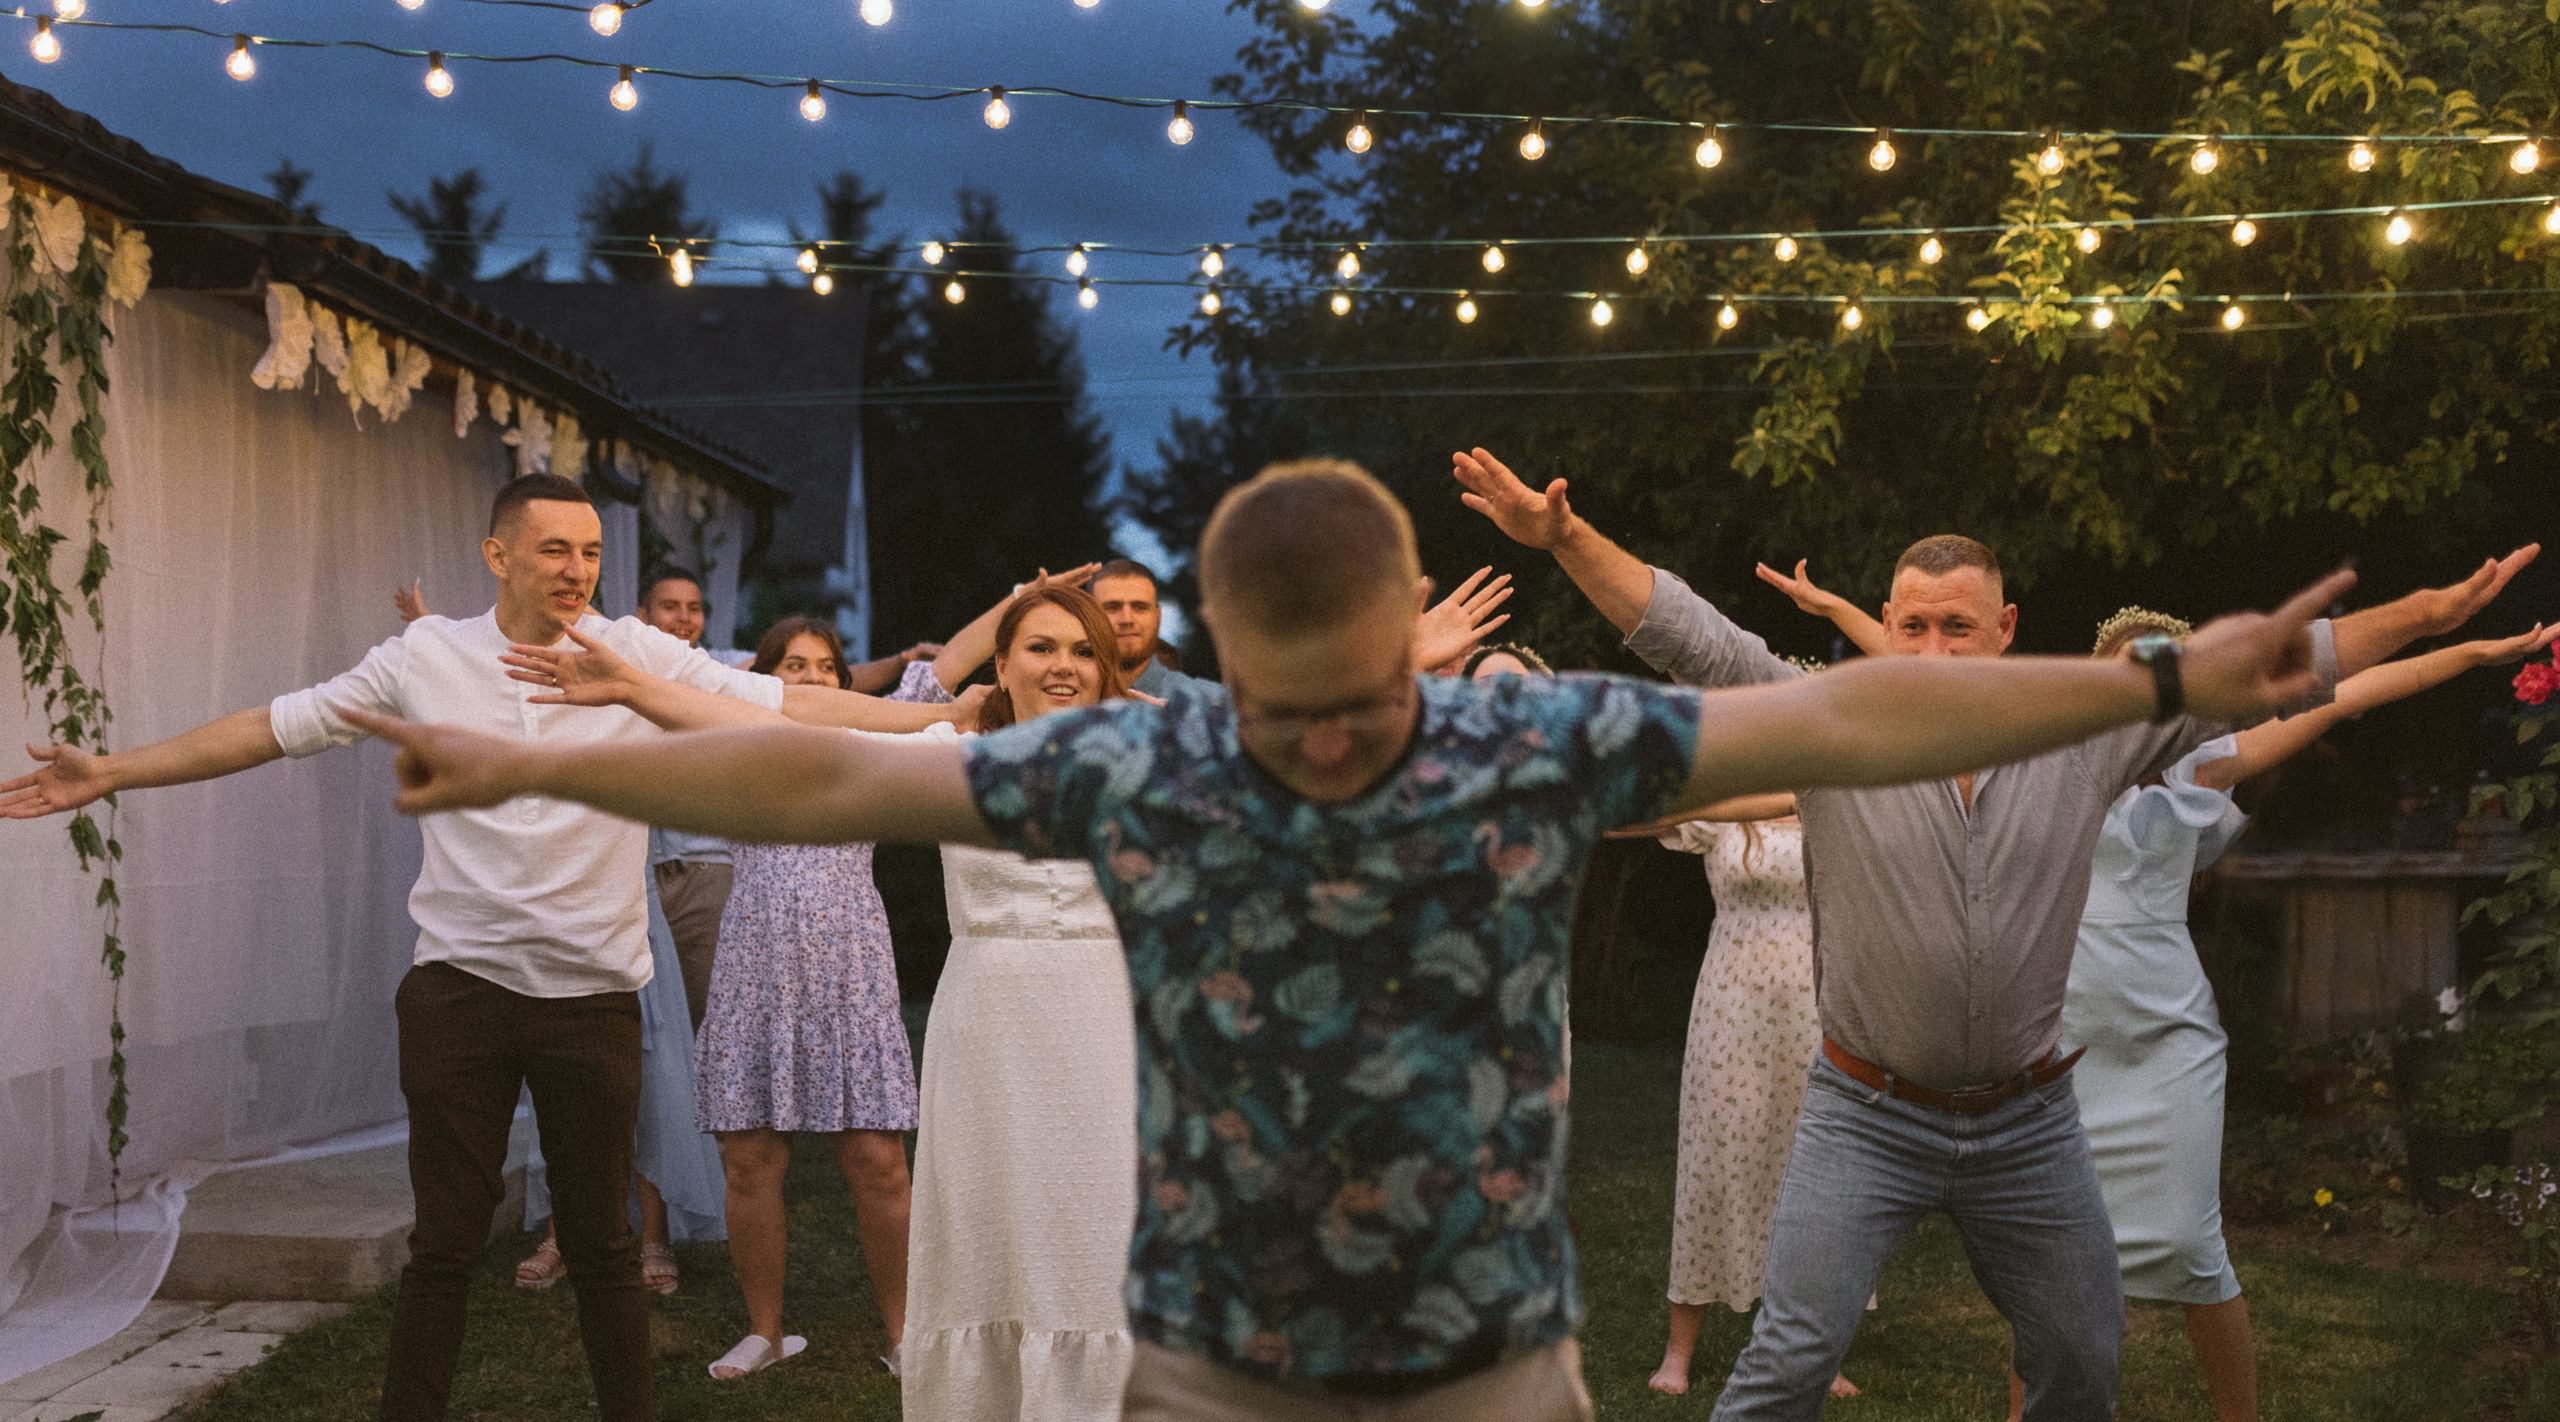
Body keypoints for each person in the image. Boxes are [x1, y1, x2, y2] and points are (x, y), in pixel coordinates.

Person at [342, 457, 2358, 1422]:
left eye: (1358, 700)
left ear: (1409, 641)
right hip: (1209, 1371)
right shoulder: (1151, 768)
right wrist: (558, 769)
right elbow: (826, 786)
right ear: (1217, 657)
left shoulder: (1521, 735)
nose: (1319, 741)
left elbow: (1850, 713)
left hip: (1489, 1364)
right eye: (1283, 703)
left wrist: (2155, 684)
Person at [1450, 445, 2537, 1420]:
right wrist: (1564, 538)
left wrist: (2424, 618)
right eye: (1909, 626)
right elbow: (1695, 638)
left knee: (2080, 1360)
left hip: (2028, 1125)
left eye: (1955, 628)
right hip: (1865, 1114)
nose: (1929, 651)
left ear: (2004, 632)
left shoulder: (2084, 740)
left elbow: (2261, 674)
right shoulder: (1833, 730)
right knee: (1786, 1366)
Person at [1, 473, 954, 1422]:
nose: (578, 569)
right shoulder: (427, 656)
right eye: (554, 549)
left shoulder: (634, 654)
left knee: (604, 1247)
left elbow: (789, 709)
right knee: (445, 1243)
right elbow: (270, 727)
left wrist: (951, 727)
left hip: (592, 999)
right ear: (497, 556)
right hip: (461, 991)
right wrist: (113, 771)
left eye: (589, 550)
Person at [1768, 568, 2556, 1421]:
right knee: (2043, 1273)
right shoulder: (2043, 757)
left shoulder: (2216, 763)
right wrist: (1840, 612)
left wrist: (2466, 645)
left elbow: (2347, 692)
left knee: (2194, 1246)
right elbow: (1932, 671)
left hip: (2167, 1037)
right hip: (2054, 1049)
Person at [899, 584, 1142, 1421]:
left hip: (1107, 1023)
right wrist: (646, 686)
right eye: (1041, 647)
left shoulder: (1148, 759)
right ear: (1001, 665)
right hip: (989, 1023)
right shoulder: (950, 752)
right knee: (986, 1237)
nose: (1063, 666)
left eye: (1083, 650)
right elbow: (793, 733)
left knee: (1100, 1235)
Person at [1090, 559, 1204, 698]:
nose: (1127, 619)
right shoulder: (1064, 701)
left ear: (1158, 616)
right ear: (1089, 616)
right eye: (1112, 607)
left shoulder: (1207, 701)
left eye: (1140, 607)